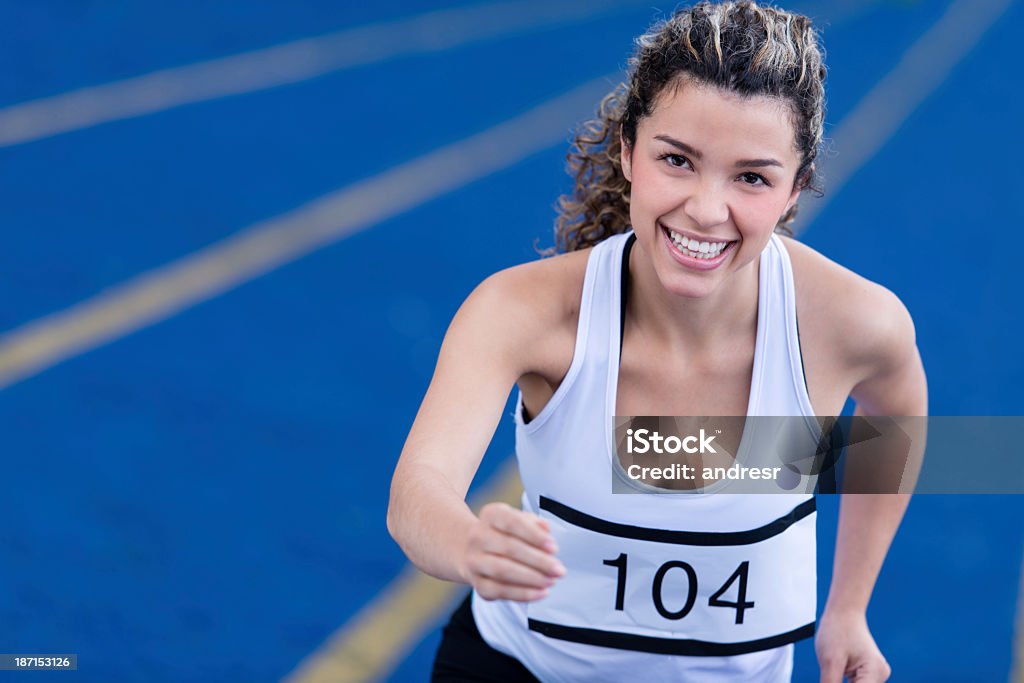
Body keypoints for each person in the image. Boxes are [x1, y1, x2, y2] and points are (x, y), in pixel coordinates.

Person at [387, 1, 928, 681]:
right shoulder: (523, 312)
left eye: (752, 176)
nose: (705, 208)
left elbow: (899, 404)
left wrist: (849, 607)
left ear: (796, 189)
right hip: (520, 667)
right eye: (677, 159)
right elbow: (418, 488)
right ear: (629, 152)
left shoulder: (852, 325)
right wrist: (469, 542)